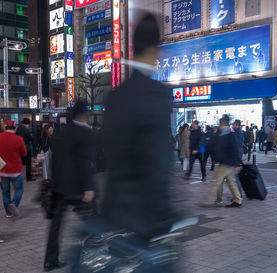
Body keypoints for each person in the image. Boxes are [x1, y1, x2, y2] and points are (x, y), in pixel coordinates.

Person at [101, 13, 178, 272]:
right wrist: (167, 216)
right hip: (146, 218)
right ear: (156, 50)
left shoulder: (115, 96)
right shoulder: (157, 95)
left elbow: (107, 156)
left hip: (114, 213)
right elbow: (158, 163)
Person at [44, 103, 95, 271]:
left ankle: (50, 261)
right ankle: (96, 254)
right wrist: (88, 187)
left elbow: (53, 158)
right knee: (92, 220)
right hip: (77, 187)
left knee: (56, 225)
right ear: (83, 116)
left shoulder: (61, 131)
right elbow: (84, 162)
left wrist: (51, 181)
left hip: (59, 186)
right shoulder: (85, 133)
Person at [0, 120, 27, 217]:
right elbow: (24, 153)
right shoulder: (19, 139)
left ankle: (8, 212)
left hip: (2, 170)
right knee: (19, 190)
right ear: (15, 128)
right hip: (15, 170)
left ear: (5, 127)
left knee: (5, 192)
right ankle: (14, 204)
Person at [203, 115, 243, 208]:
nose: (220, 125)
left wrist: (238, 162)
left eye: (221, 123)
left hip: (226, 162)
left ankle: (212, 200)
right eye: (220, 123)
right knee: (231, 181)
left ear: (225, 123)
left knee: (217, 181)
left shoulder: (229, 134)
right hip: (226, 162)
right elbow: (216, 146)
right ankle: (238, 200)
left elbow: (235, 149)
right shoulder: (222, 134)